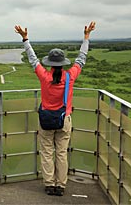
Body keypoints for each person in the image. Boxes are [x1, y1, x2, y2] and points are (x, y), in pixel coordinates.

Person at [14, 21, 96, 196]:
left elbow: (32, 59)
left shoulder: (44, 76)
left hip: (45, 120)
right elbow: (81, 59)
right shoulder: (70, 76)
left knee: (47, 153)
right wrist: (86, 37)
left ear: (50, 64)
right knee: (61, 153)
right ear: (63, 64)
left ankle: (49, 184)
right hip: (64, 119)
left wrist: (25, 39)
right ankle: (61, 186)